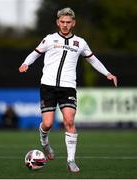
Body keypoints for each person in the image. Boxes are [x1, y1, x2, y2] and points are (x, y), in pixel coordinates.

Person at [19, 7, 117, 173]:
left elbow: (93, 60)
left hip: (68, 87)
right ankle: (44, 142)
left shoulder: (80, 42)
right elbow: (35, 53)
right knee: (48, 123)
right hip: (48, 86)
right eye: (62, 22)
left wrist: (108, 73)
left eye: (68, 22)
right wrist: (25, 63)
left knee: (69, 121)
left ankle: (71, 160)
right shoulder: (49, 39)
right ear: (58, 22)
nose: (65, 25)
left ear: (73, 23)